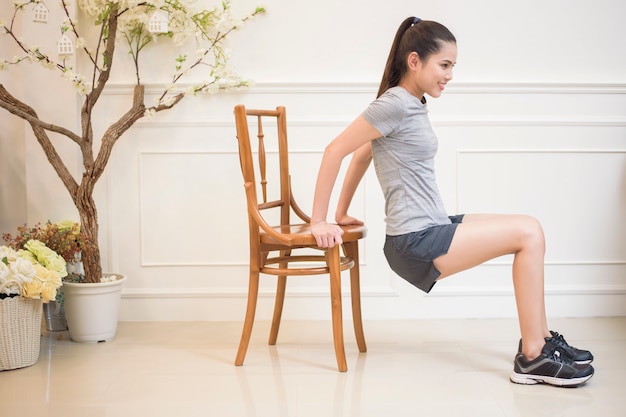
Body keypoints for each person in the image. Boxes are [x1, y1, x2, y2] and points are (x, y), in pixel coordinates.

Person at [310, 16, 594, 387]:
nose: (450, 75)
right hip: (414, 241)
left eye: (452, 67)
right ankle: (533, 357)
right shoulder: (394, 103)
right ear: (415, 61)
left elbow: (364, 154)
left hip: (431, 226)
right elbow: (336, 150)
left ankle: (540, 342)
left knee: (531, 228)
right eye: (444, 65)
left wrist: (342, 211)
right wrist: (321, 219)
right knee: (528, 233)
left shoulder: (410, 103)